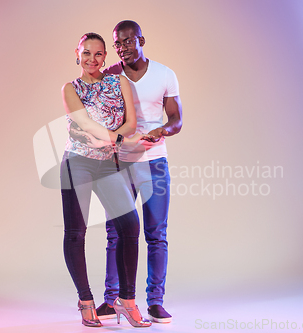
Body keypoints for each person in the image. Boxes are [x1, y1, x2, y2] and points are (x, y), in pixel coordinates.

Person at [60, 32, 151, 328]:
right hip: (77, 163)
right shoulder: (70, 88)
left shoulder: (118, 81)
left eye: (98, 54)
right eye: (86, 53)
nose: (92, 59)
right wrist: (121, 139)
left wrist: (112, 141)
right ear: (77, 55)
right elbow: (84, 123)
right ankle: (85, 301)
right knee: (76, 232)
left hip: (106, 164)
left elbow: (131, 121)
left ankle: (126, 301)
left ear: (105, 57)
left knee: (130, 226)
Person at [96, 20, 183, 323]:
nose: (123, 48)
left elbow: (176, 119)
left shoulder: (164, 74)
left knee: (156, 234)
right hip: (120, 164)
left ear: (141, 40)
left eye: (128, 41)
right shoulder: (110, 75)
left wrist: (163, 130)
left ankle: (155, 302)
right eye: (117, 44)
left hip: (155, 162)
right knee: (115, 234)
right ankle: (111, 300)